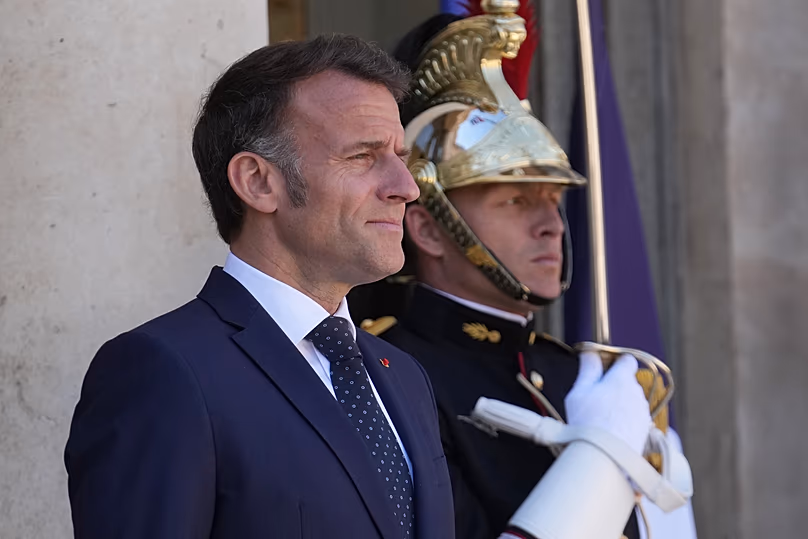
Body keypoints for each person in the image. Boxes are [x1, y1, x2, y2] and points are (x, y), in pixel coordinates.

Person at [63, 35, 454, 539]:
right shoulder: (163, 372)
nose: (406, 186)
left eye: (400, 156)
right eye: (363, 155)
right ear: (258, 181)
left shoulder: (402, 375)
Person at [349, 3, 695, 539]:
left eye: (553, 199)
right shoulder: (388, 377)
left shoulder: (578, 377)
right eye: (515, 201)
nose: (551, 225)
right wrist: (599, 460)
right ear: (429, 230)